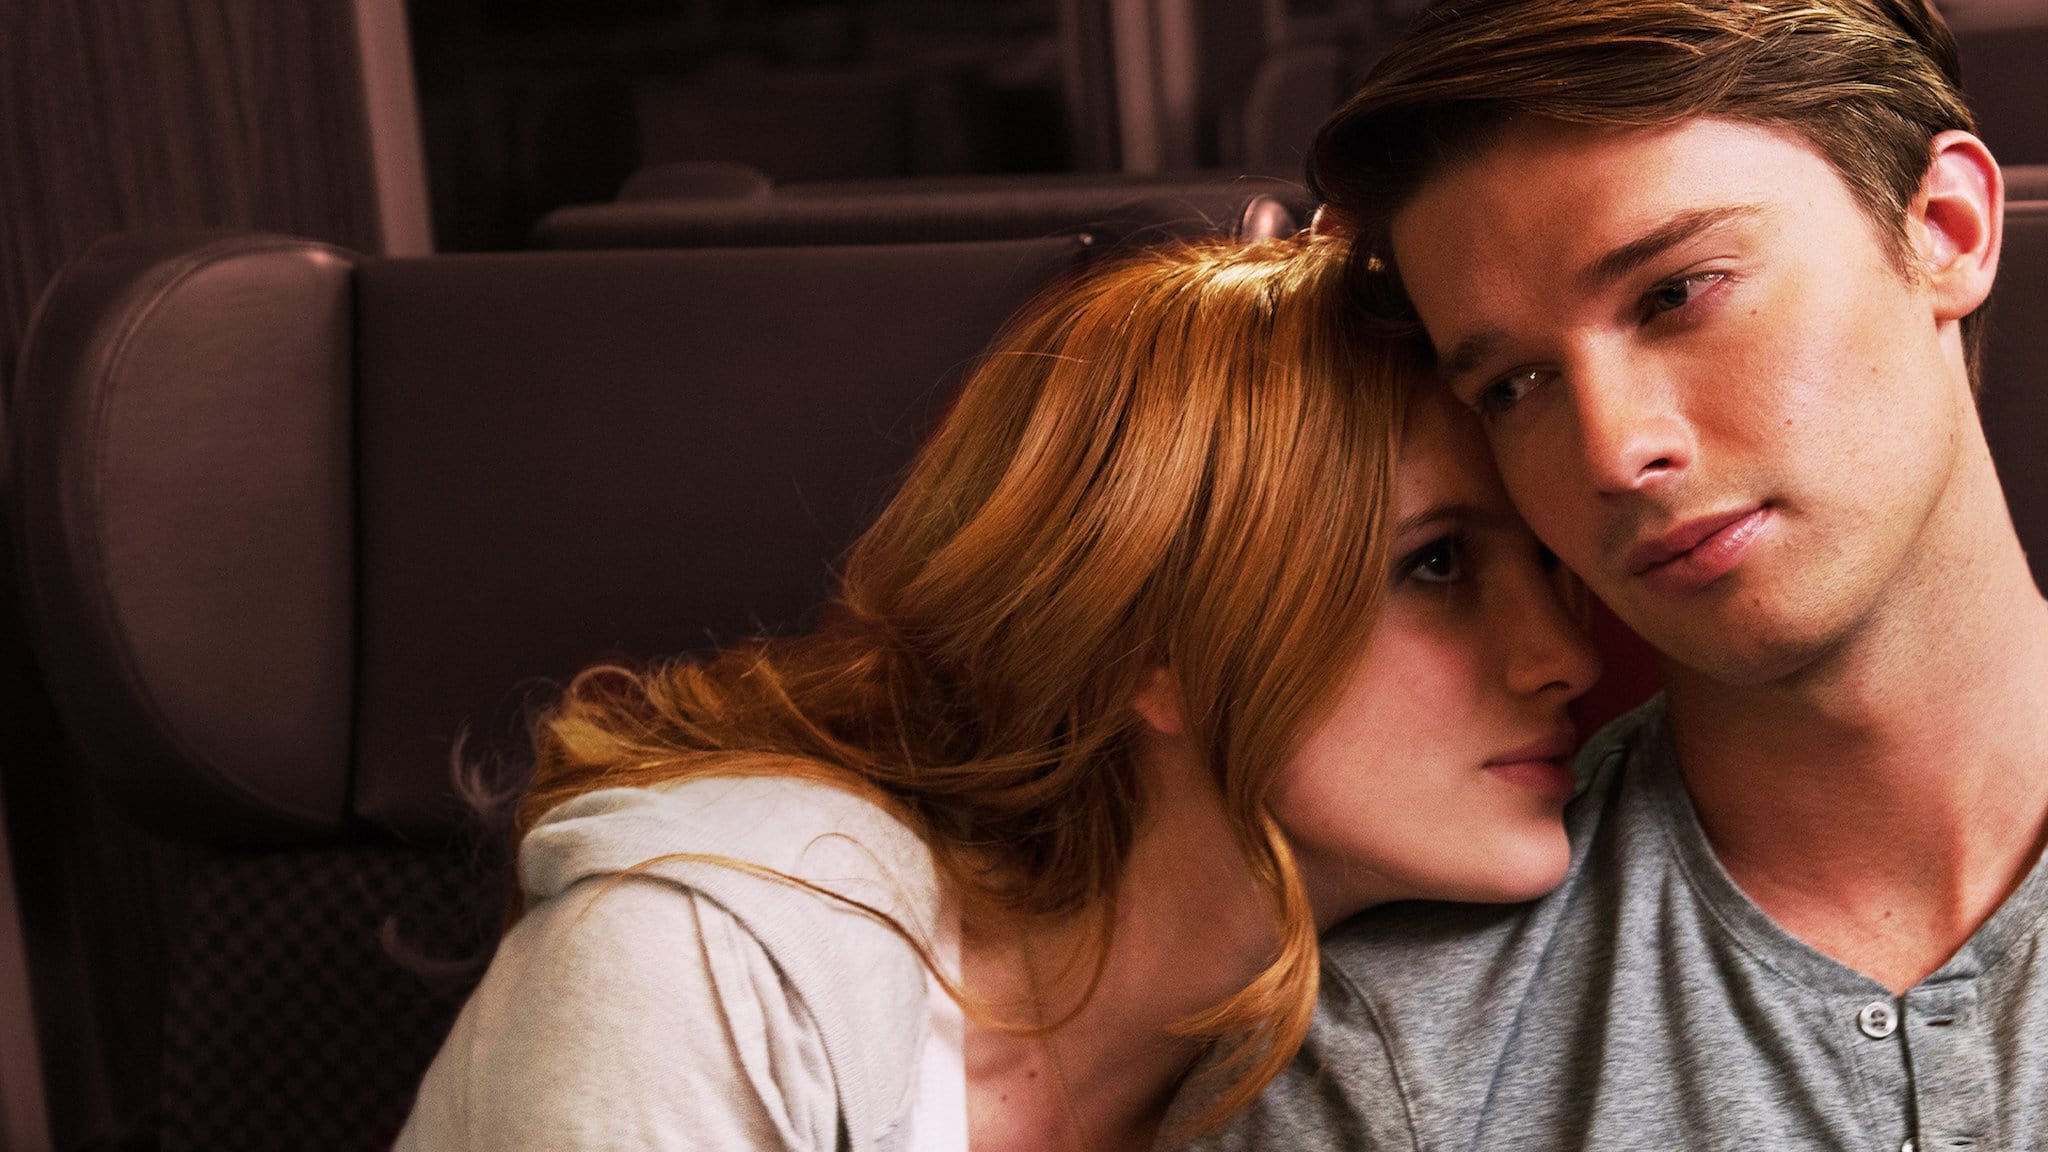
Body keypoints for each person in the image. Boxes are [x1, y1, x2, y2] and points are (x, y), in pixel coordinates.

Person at [389, 232, 1598, 1152]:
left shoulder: (1358, 1059)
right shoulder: (706, 964)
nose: (1561, 657)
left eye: (1548, 565)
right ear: (1154, 647)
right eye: (1434, 565)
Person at [1174, 1, 2048, 1149]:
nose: (1611, 452)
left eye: (1674, 294)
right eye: (1513, 387)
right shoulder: (1381, 1067)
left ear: (1942, 228)